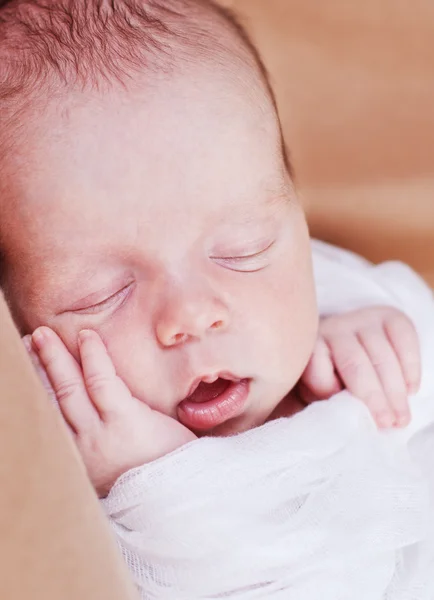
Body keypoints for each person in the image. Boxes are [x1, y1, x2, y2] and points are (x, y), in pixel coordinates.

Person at [0, 0, 422, 498]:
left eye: (242, 251)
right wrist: (150, 487)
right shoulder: (64, 469)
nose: (193, 316)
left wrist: (381, 325)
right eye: (102, 295)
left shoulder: (317, 301)